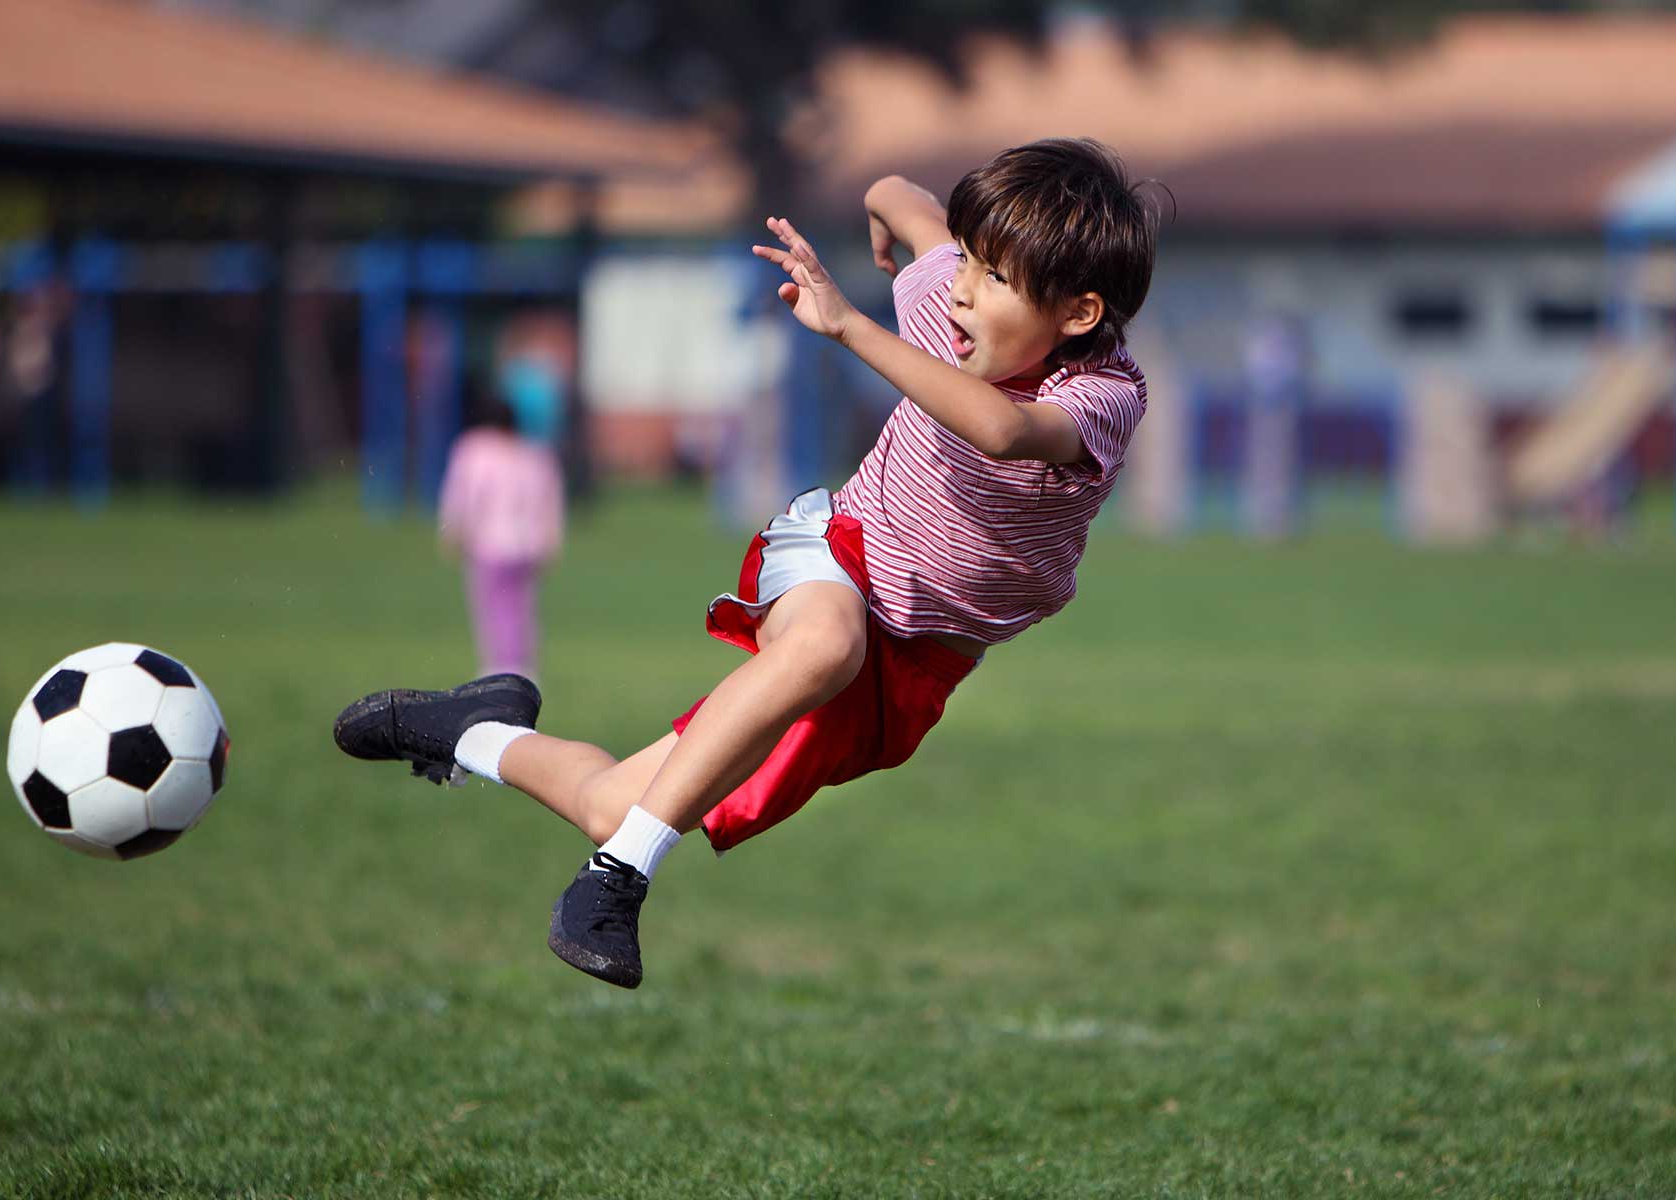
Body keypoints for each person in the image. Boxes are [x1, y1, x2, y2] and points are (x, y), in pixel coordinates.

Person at [335, 138, 1159, 988]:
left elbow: (1002, 429)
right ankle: (616, 884)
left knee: (614, 804)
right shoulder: (946, 307)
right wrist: (884, 206)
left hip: (919, 661)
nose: (958, 288)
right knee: (822, 646)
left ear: (1079, 314)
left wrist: (850, 317)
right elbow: (908, 203)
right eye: (967, 263)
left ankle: (473, 729)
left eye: (992, 278)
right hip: (840, 556)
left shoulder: (1102, 395)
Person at [436, 369, 565, 681]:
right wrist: (551, 540)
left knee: (492, 609)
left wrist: (453, 530)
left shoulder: (474, 449)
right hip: (527, 543)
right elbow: (549, 499)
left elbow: (464, 496)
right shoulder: (533, 454)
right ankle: (524, 669)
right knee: (521, 609)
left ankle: (497, 671)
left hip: (489, 543)